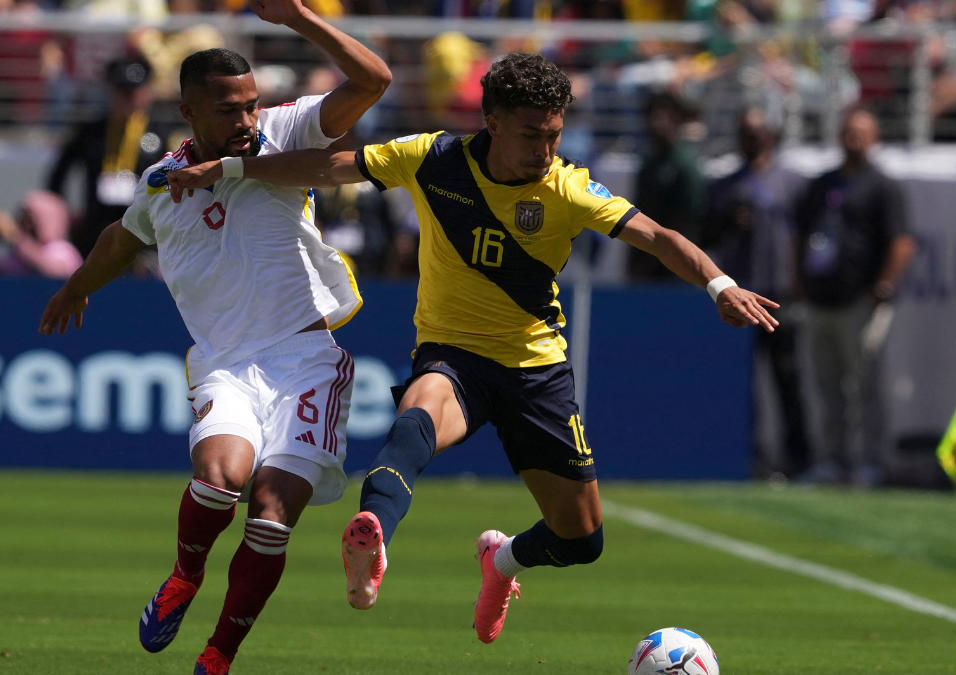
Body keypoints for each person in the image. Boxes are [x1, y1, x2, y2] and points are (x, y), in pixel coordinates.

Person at [166, 52, 778, 645]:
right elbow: (330, 167)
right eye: (532, 135)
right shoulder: (431, 159)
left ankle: (503, 560)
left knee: (580, 540)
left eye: (555, 135)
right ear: (492, 123)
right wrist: (228, 170)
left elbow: (659, 236)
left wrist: (719, 284)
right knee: (416, 419)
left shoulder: (569, 189)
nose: (546, 150)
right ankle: (373, 536)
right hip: (453, 355)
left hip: (537, 371)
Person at [38, 1, 390, 672]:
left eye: (252, 105)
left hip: (306, 360)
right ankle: (184, 575)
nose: (246, 121)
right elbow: (121, 239)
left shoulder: (284, 134)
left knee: (268, 517)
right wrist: (79, 285)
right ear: (192, 113)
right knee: (219, 480)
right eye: (229, 109)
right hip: (227, 364)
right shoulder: (161, 179)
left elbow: (373, 81)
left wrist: (298, 17)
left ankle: (218, 655)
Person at [795, 108, 917, 487]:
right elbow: (798, 234)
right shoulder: (822, 184)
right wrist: (797, 279)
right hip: (820, 300)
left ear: (875, 137)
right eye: (848, 132)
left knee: (864, 385)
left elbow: (902, 241)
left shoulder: (883, 186)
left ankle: (869, 461)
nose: (854, 140)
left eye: (862, 133)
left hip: (858, 302)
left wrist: (883, 286)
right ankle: (832, 459)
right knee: (827, 385)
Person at [702, 107, 811, 477]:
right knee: (741, 386)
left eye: (756, 133)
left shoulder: (793, 183)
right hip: (739, 296)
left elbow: (807, 237)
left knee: (787, 380)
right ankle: (747, 457)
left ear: (771, 136)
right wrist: (728, 221)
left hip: (779, 295)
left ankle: (798, 460)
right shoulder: (723, 186)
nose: (749, 140)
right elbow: (705, 239)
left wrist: (801, 285)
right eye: (744, 133)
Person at [46, 55, 177, 258]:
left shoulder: (162, 134)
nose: (128, 98)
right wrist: (64, 217)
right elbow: (58, 175)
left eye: (134, 91)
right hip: (95, 228)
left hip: (144, 232)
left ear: (147, 93)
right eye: (122, 91)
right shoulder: (90, 132)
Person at [628, 92, 706, 282]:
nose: (657, 123)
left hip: (677, 263)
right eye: (653, 117)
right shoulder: (647, 164)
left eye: (665, 117)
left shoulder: (685, 164)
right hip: (646, 260)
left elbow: (691, 217)